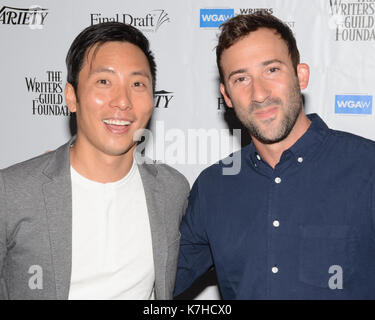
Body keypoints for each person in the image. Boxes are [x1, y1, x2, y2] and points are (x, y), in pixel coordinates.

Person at [174, 13, 375, 299]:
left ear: (300, 75)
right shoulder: (212, 187)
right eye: (241, 78)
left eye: (271, 70)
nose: (259, 93)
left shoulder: (367, 168)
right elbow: (150, 283)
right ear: (227, 96)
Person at [0, 22, 189, 300]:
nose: (122, 101)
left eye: (137, 84)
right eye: (104, 82)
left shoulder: (173, 190)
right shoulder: (11, 192)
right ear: (71, 97)